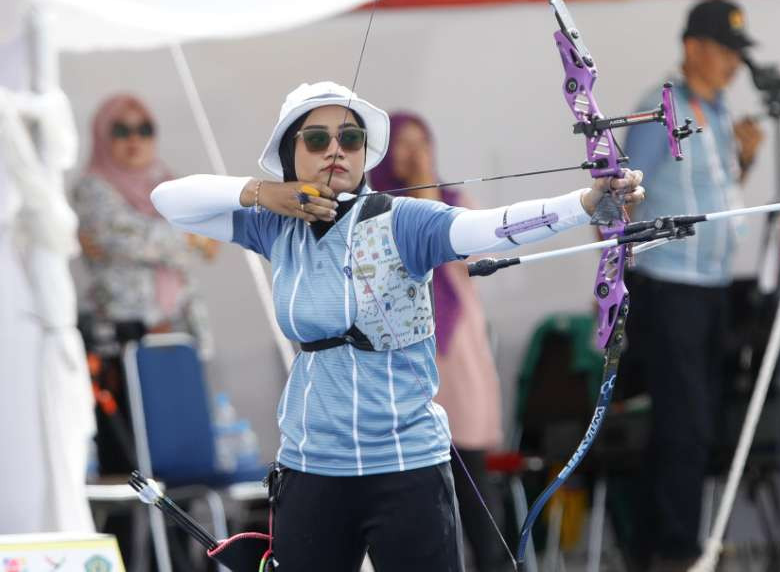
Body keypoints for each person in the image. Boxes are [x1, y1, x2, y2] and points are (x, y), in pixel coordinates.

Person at [150, 81, 645, 571]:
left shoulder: (402, 221)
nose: (335, 151)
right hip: (310, 464)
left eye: (350, 139)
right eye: (317, 140)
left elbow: (491, 226)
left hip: (406, 467)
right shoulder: (275, 226)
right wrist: (264, 194)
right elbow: (169, 199)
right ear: (290, 151)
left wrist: (585, 203)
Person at [621, 0, 763, 570]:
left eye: (738, 53)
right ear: (692, 48)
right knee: (687, 425)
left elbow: (713, 192)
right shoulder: (660, 110)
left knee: (688, 423)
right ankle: (678, 552)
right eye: (726, 51)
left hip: (712, 286)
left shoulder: (722, 110)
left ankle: (649, 549)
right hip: (667, 285)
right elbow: (626, 193)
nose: (734, 64)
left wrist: (747, 161)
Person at [368, 112, 508, 571]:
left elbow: (469, 259)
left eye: (420, 143)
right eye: (401, 145)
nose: (413, 154)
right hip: (405, 359)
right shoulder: (373, 211)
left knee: (474, 482)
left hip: (457, 356)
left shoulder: (456, 202)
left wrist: (427, 188)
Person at [72, 94, 219, 358]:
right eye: (121, 131)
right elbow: (127, 239)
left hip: (183, 327)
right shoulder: (91, 187)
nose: (134, 139)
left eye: (144, 129)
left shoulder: (166, 181)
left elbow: (209, 238)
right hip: (124, 336)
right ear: (103, 136)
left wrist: (194, 234)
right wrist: (196, 236)